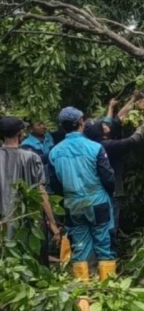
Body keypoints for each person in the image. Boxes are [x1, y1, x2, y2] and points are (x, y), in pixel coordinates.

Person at [48, 107, 117, 281]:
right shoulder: (95, 147)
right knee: (103, 244)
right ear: (81, 123)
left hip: (73, 206)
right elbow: (108, 178)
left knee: (79, 247)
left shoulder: (54, 152)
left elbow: (55, 185)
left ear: (63, 127)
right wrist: (108, 194)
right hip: (98, 202)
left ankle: (83, 296)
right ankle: (109, 290)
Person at [84, 116, 144, 232]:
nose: (105, 126)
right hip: (110, 192)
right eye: (102, 126)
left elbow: (115, 120)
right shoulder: (106, 145)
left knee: (100, 225)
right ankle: (110, 246)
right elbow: (133, 141)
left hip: (96, 192)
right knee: (110, 225)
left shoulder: (91, 145)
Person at [1, 116, 60, 246]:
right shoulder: (32, 158)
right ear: (19, 133)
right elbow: (41, 192)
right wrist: (52, 223)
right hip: (30, 221)